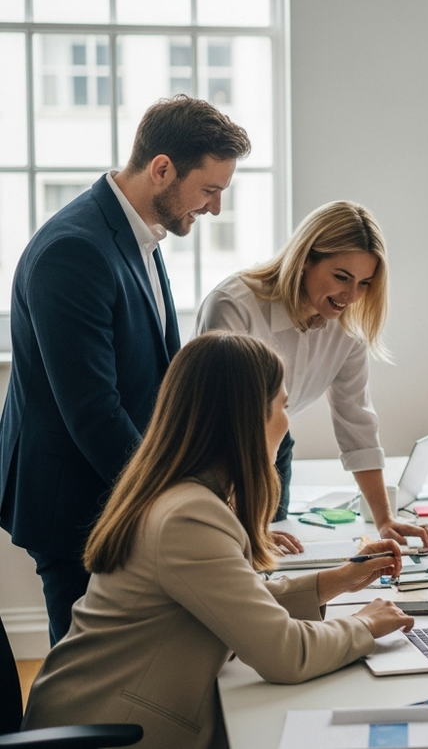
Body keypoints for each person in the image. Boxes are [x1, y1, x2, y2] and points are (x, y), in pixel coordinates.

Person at [21, 332, 415, 749]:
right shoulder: (187, 517)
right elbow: (285, 654)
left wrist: (337, 580)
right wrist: (364, 624)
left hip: (100, 716)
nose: (287, 420)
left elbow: (235, 602)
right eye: (283, 406)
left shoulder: (181, 493)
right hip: (109, 733)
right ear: (246, 418)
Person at [0, 95, 251, 645]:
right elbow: (93, 410)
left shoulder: (141, 233)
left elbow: (156, 376)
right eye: (208, 190)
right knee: (88, 670)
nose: (213, 209)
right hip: (77, 500)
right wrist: (174, 496)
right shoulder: (75, 249)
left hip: (120, 484)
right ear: (162, 168)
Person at [196, 200, 428, 550]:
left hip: (274, 445)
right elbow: (223, 424)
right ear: (305, 259)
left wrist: (384, 519)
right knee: (227, 551)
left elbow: (357, 422)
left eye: (364, 283)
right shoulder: (235, 305)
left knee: (278, 551)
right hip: (213, 448)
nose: (351, 296)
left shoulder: (346, 329)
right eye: (341, 277)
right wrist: (247, 528)